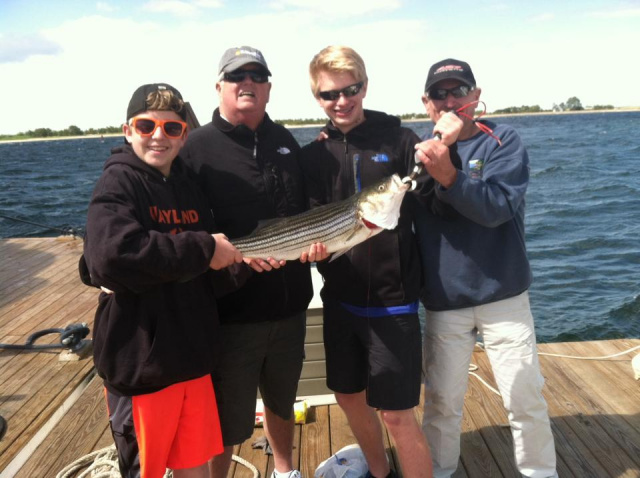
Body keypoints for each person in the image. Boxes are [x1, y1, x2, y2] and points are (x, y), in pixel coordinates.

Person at [82, 83, 243, 478]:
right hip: (142, 368)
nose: (158, 136)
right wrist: (204, 249)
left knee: (197, 470)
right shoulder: (119, 181)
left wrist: (242, 264)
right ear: (127, 130)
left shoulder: (188, 187)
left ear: (184, 134)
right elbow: (108, 257)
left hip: (192, 361)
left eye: (171, 128)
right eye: (146, 125)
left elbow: (205, 265)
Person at [414, 58, 558, 478]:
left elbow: (496, 208)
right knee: (441, 401)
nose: (450, 100)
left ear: (476, 97)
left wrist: (451, 175)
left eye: (459, 91)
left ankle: (539, 473)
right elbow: (419, 210)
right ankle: (439, 471)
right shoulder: (420, 155)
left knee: (524, 397)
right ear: (427, 103)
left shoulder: (504, 142)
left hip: (504, 295)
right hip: (445, 300)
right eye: (440, 93)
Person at [300, 45, 439, 478]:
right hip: (340, 301)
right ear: (317, 98)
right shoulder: (314, 156)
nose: (341, 101)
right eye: (329, 95)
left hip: (392, 301)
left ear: (364, 86)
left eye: (350, 89)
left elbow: (432, 198)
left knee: (397, 415)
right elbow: (308, 217)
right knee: (348, 397)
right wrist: (310, 249)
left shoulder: (399, 141)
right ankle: (380, 474)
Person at [180, 46, 317, 478]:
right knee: (226, 419)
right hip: (232, 314)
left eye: (257, 76)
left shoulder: (285, 142)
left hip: (291, 305)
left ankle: (285, 471)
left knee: (282, 400)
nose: (248, 83)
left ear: (269, 89)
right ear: (218, 86)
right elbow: (185, 230)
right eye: (237, 76)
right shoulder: (195, 149)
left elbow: (306, 212)